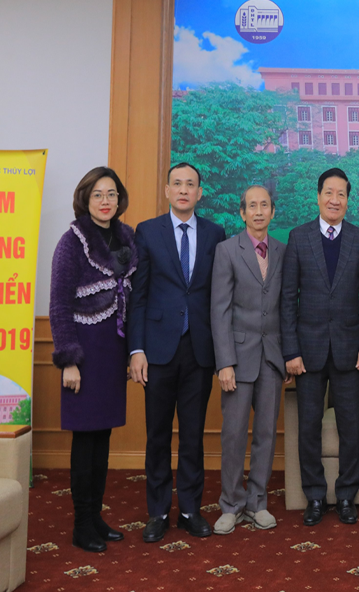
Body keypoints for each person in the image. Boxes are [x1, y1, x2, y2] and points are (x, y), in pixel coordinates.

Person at [128, 162, 226, 543]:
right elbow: (138, 296)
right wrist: (136, 349)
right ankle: (157, 512)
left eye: (191, 185)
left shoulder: (215, 233)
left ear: (200, 192)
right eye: (177, 184)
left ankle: (188, 510)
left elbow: (219, 296)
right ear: (167, 190)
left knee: (192, 435)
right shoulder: (148, 231)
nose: (184, 190)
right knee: (157, 435)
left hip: (199, 349)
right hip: (157, 350)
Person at [49, 167, 137, 553]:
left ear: (119, 199)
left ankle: (96, 516)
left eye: (112, 194)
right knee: (85, 440)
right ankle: (81, 523)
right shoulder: (72, 241)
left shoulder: (126, 237)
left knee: (102, 438)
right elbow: (58, 304)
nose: (105, 201)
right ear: (85, 199)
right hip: (83, 354)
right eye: (98, 194)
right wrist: (68, 360)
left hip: (112, 353)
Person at [280, 168, 359, 526]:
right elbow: (288, 300)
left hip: (350, 350)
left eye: (341, 195)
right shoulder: (299, 237)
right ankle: (315, 496)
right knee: (309, 427)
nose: (335, 200)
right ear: (318, 197)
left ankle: (347, 495)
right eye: (329, 193)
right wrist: (291, 351)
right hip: (308, 352)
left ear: (348, 201)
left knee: (351, 426)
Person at [210, 185, 287, 534]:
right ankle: (231, 504)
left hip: (272, 358)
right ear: (242, 213)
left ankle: (257, 502)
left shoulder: (282, 251)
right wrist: (224, 362)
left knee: (266, 434)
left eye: (264, 205)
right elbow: (219, 310)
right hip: (238, 359)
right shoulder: (227, 250)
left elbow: (286, 307)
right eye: (252, 206)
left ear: (272, 211)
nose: (258, 211)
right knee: (234, 435)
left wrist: (287, 356)